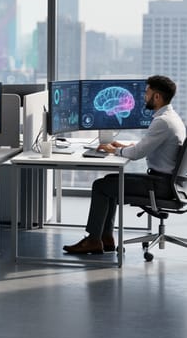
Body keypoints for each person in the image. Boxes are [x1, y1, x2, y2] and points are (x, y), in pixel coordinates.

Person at [63, 75, 187, 254]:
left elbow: (137, 154)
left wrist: (113, 150)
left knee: (101, 186)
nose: (144, 96)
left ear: (157, 97)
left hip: (160, 186)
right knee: (110, 182)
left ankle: (93, 240)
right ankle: (105, 237)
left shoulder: (162, 122)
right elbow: (146, 146)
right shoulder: (171, 117)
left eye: (147, 92)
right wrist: (122, 146)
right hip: (170, 183)